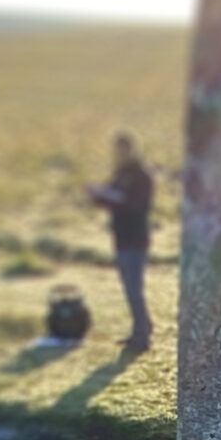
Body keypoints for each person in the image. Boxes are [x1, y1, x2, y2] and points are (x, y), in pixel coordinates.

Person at [86, 132, 156, 350]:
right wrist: (97, 195)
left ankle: (141, 337)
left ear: (131, 151)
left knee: (134, 289)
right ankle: (142, 326)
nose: (119, 155)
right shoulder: (121, 173)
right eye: (116, 151)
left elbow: (133, 204)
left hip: (136, 239)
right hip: (122, 238)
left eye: (122, 151)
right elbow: (112, 198)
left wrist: (111, 196)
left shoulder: (140, 176)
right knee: (128, 288)